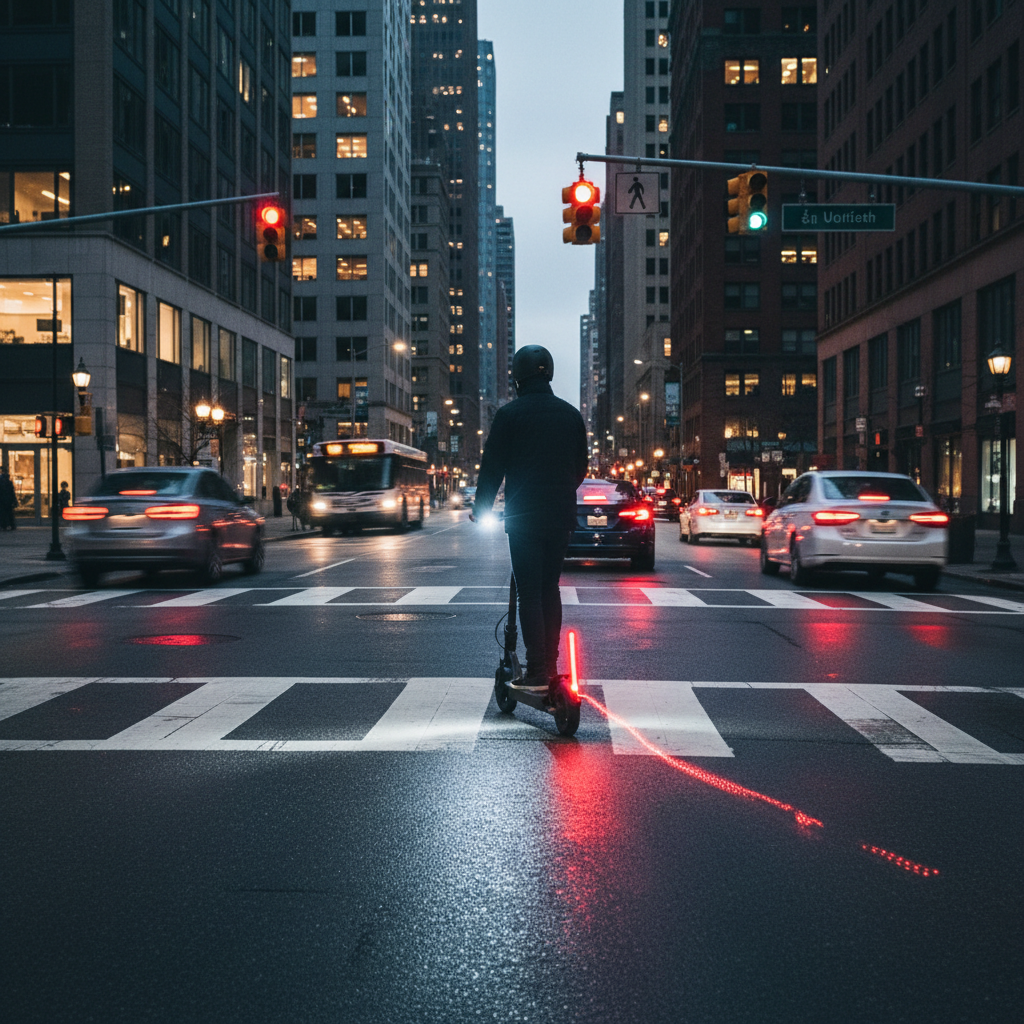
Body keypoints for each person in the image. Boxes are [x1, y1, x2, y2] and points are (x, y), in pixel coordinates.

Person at [471, 345, 588, 692]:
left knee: (529, 593)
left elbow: (492, 466)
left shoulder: (509, 416)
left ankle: (538, 667)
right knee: (549, 588)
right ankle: (549, 664)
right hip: (560, 515)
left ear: (517, 378)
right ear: (548, 373)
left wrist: (481, 508)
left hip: (523, 517)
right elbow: (581, 467)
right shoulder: (570, 415)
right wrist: (561, 490)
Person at [0, 467, 15, 531]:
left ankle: (4, 525)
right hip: (8, 499)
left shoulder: (1, 481)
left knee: (3, 513)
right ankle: (11, 525)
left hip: (2, 499)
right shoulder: (9, 482)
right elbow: (12, 491)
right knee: (9, 512)